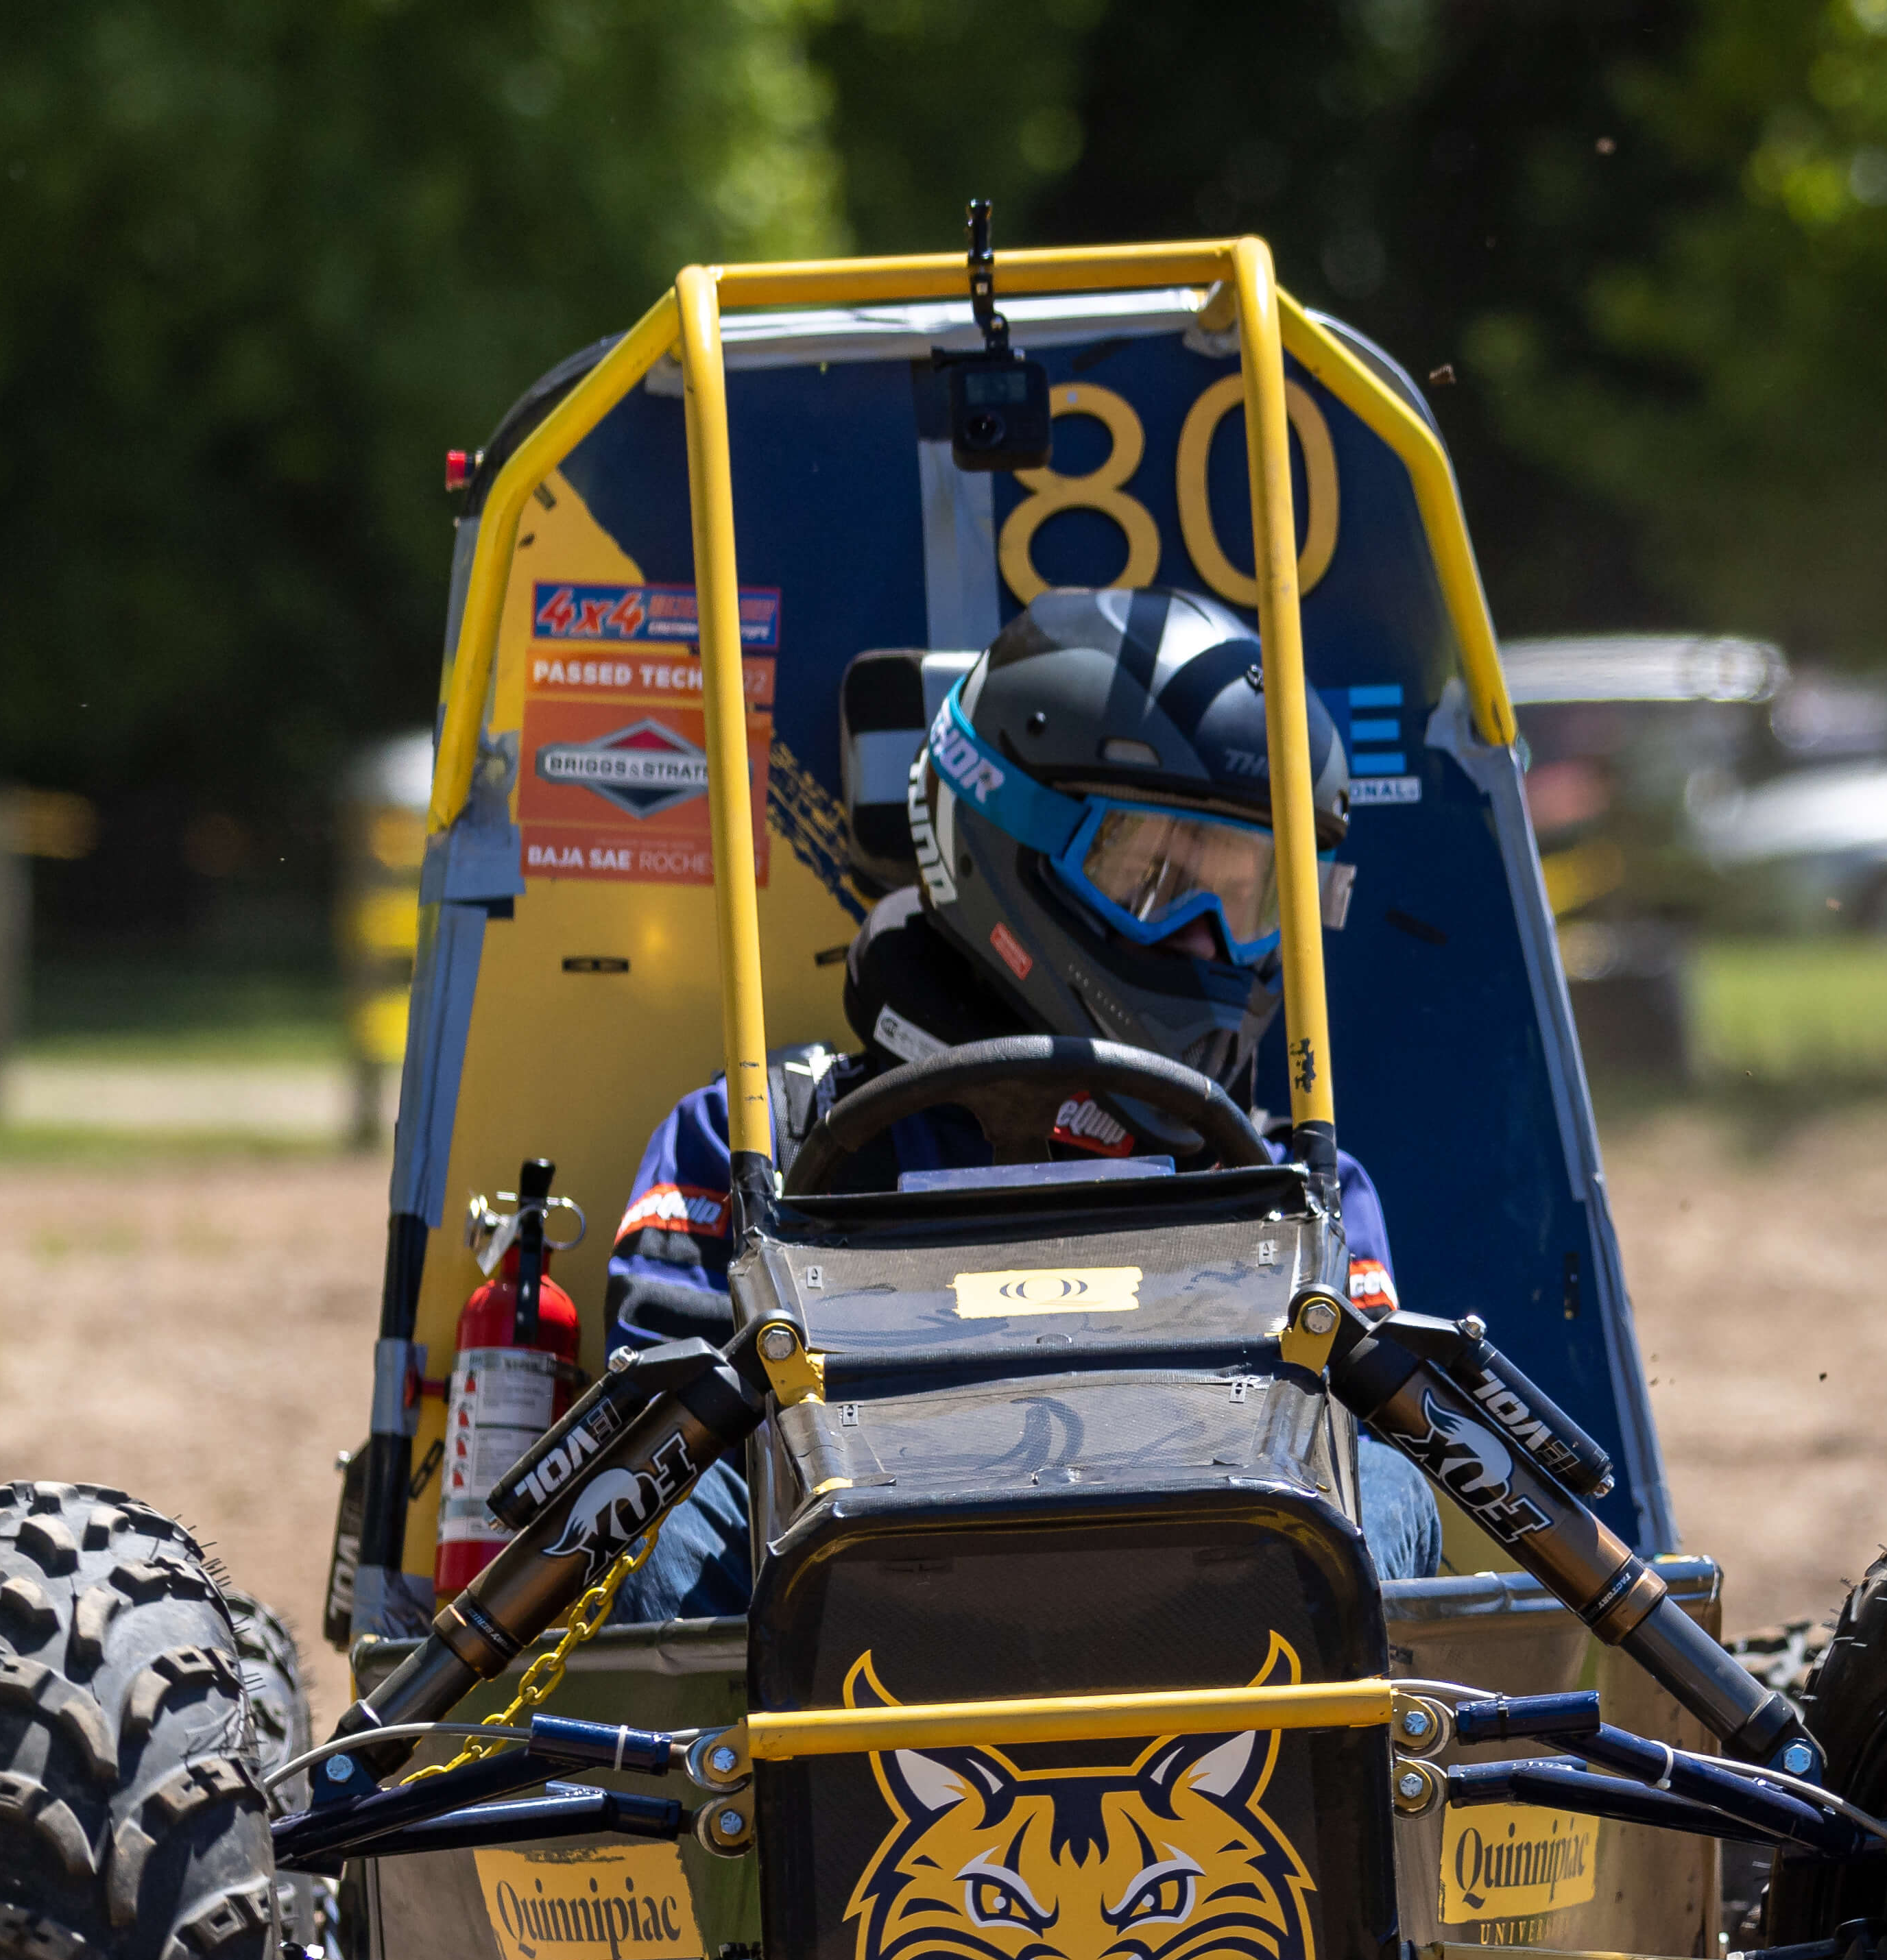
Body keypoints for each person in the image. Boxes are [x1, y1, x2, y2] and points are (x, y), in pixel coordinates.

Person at [608, 584, 1442, 1619]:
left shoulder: (1297, 1191)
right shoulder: (751, 1144)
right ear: (1004, 835)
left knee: (1395, 1475)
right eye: (1152, 878)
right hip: (838, 1660)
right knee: (645, 1498)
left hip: (1217, 1664)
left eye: (1248, 899)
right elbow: (652, 1454)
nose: (1206, 943)